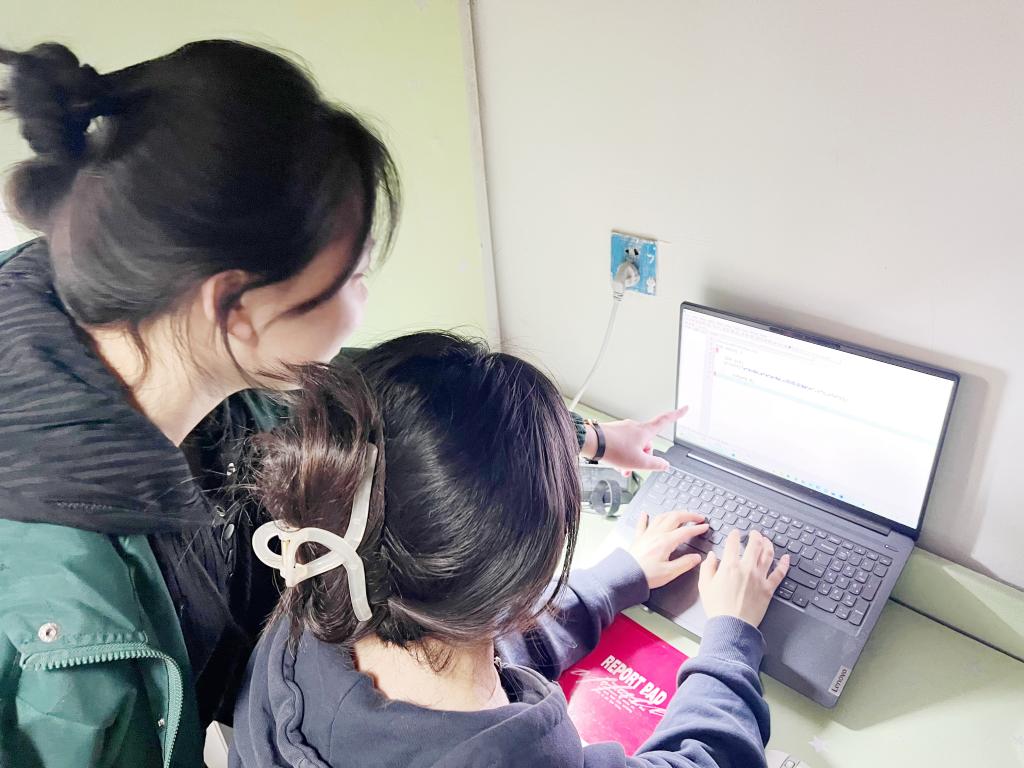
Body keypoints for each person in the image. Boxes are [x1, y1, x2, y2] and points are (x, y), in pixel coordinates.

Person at [0, 40, 684, 767]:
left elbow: (403, 413)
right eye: (351, 278)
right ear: (236, 306)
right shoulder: (55, 633)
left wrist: (583, 438)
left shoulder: (143, 321)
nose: (361, 304)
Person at [231, 332, 791, 768]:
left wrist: (619, 578)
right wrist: (732, 636)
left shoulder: (318, 594)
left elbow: (466, 643)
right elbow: (711, 759)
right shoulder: (519, 755)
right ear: (523, 575)